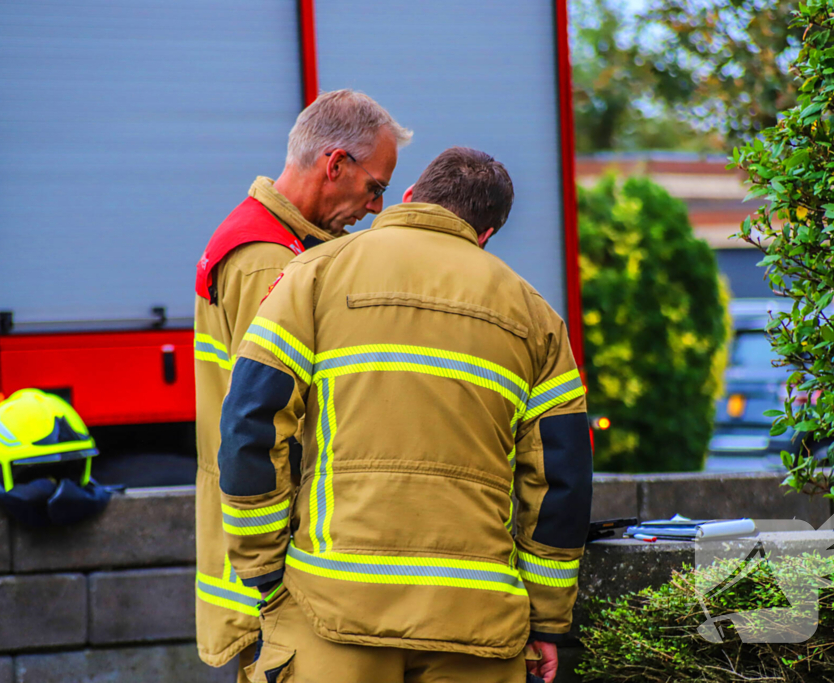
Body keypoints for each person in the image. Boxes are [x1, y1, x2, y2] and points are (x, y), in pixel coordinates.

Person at [218, 147, 592, 682]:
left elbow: (251, 419)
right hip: (477, 622)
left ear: (412, 197)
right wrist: (547, 620)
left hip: (332, 607)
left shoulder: (314, 274)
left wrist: (264, 569)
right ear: (486, 235)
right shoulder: (538, 319)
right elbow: (561, 479)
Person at [193, 90, 412, 681]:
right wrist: (273, 574)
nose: (376, 207)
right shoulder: (271, 262)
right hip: (276, 584)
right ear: (335, 164)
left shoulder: (278, 243)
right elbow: (265, 426)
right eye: (375, 188)